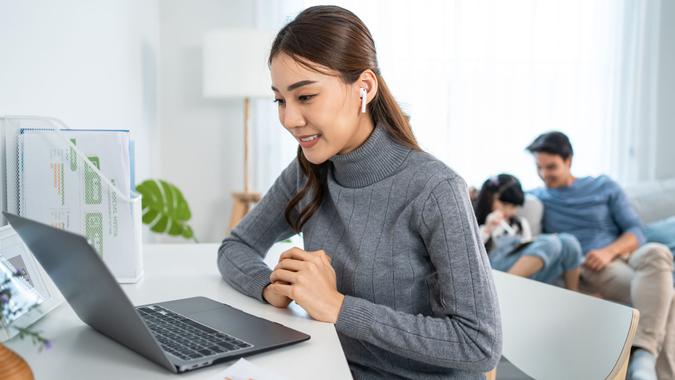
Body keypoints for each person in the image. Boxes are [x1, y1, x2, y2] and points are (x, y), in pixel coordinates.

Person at [218, 5, 502, 379]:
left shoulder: (435, 189)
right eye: (280, 100)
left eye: (305, 97)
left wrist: (338, 307)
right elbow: (235, 247)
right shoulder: (308, 171)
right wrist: (269, 285)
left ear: (364, 88)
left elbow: (479, 343)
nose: (288, 119)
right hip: (326, 367)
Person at [526, 131, 675, 380]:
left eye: (551, 167)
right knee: (668, 295)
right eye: (539, 168)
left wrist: (609, 251)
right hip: (590, 266)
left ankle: (643, 356)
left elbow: (636, 230)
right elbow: (500, 196)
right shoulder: (540, 197)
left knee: (657, 251)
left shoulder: (603, 186)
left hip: (623, 255)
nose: (545, 175)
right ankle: (645, 366)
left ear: (569, 161)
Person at [474, 174, 582, 290]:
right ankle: (501, 290)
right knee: (550, 243)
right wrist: (487, 229)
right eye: (504, 204)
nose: (508, 211)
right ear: (489, 198)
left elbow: (528, 248)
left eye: (513, 207)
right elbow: (473, 253)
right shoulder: (479, 223)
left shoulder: (520, 223)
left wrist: (538, 242)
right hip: (495, 267)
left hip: (520, 267)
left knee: (569, 242)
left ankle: (573, 297)